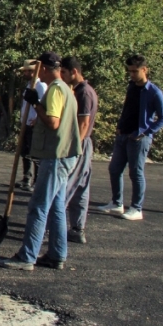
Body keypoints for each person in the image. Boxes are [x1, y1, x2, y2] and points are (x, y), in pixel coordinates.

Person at [0, 52, 80, 271]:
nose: (34, 73)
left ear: (42, 67)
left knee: (38, 206)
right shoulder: (65, 89)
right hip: (65, 155)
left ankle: (27, 257)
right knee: (56, 206)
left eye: (36, 68)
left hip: (56, 156)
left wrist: (35, 104)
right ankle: (57, 254)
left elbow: (53, 122)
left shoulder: (54, 90)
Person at [97, 54, 163, 221]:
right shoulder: (131, 87)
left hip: (139, 138)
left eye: (135, 71)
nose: (132, 75)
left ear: (145, 70)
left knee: (136, 173)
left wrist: (144, 132)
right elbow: (127, 109)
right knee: (114, 169)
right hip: (123, 135)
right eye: (129, 72)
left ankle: (136, 208)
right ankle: (117, 203)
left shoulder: (154, 92)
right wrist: (120, 126)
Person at [61, 56, 98, 244]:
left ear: (74, 72)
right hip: (84, 144)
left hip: (80, 143)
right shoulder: (84, 90)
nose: (62, 76)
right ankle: (77, 227)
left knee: (67, 187)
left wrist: (74, 148)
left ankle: (55, 228)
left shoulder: (83, 93)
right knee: (81, 188)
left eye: (64, 72)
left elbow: (83, 124)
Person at [16, 60, 47, 191]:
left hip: (34, 124)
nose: (27, 73)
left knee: (35, 153)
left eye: (30, 71)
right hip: (26, 124)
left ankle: (37, 181)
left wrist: (37, 118)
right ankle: (26, 178)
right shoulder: (29, 85)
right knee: (25, 152)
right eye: (26, 71)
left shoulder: (41, 86)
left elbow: (42, 105)